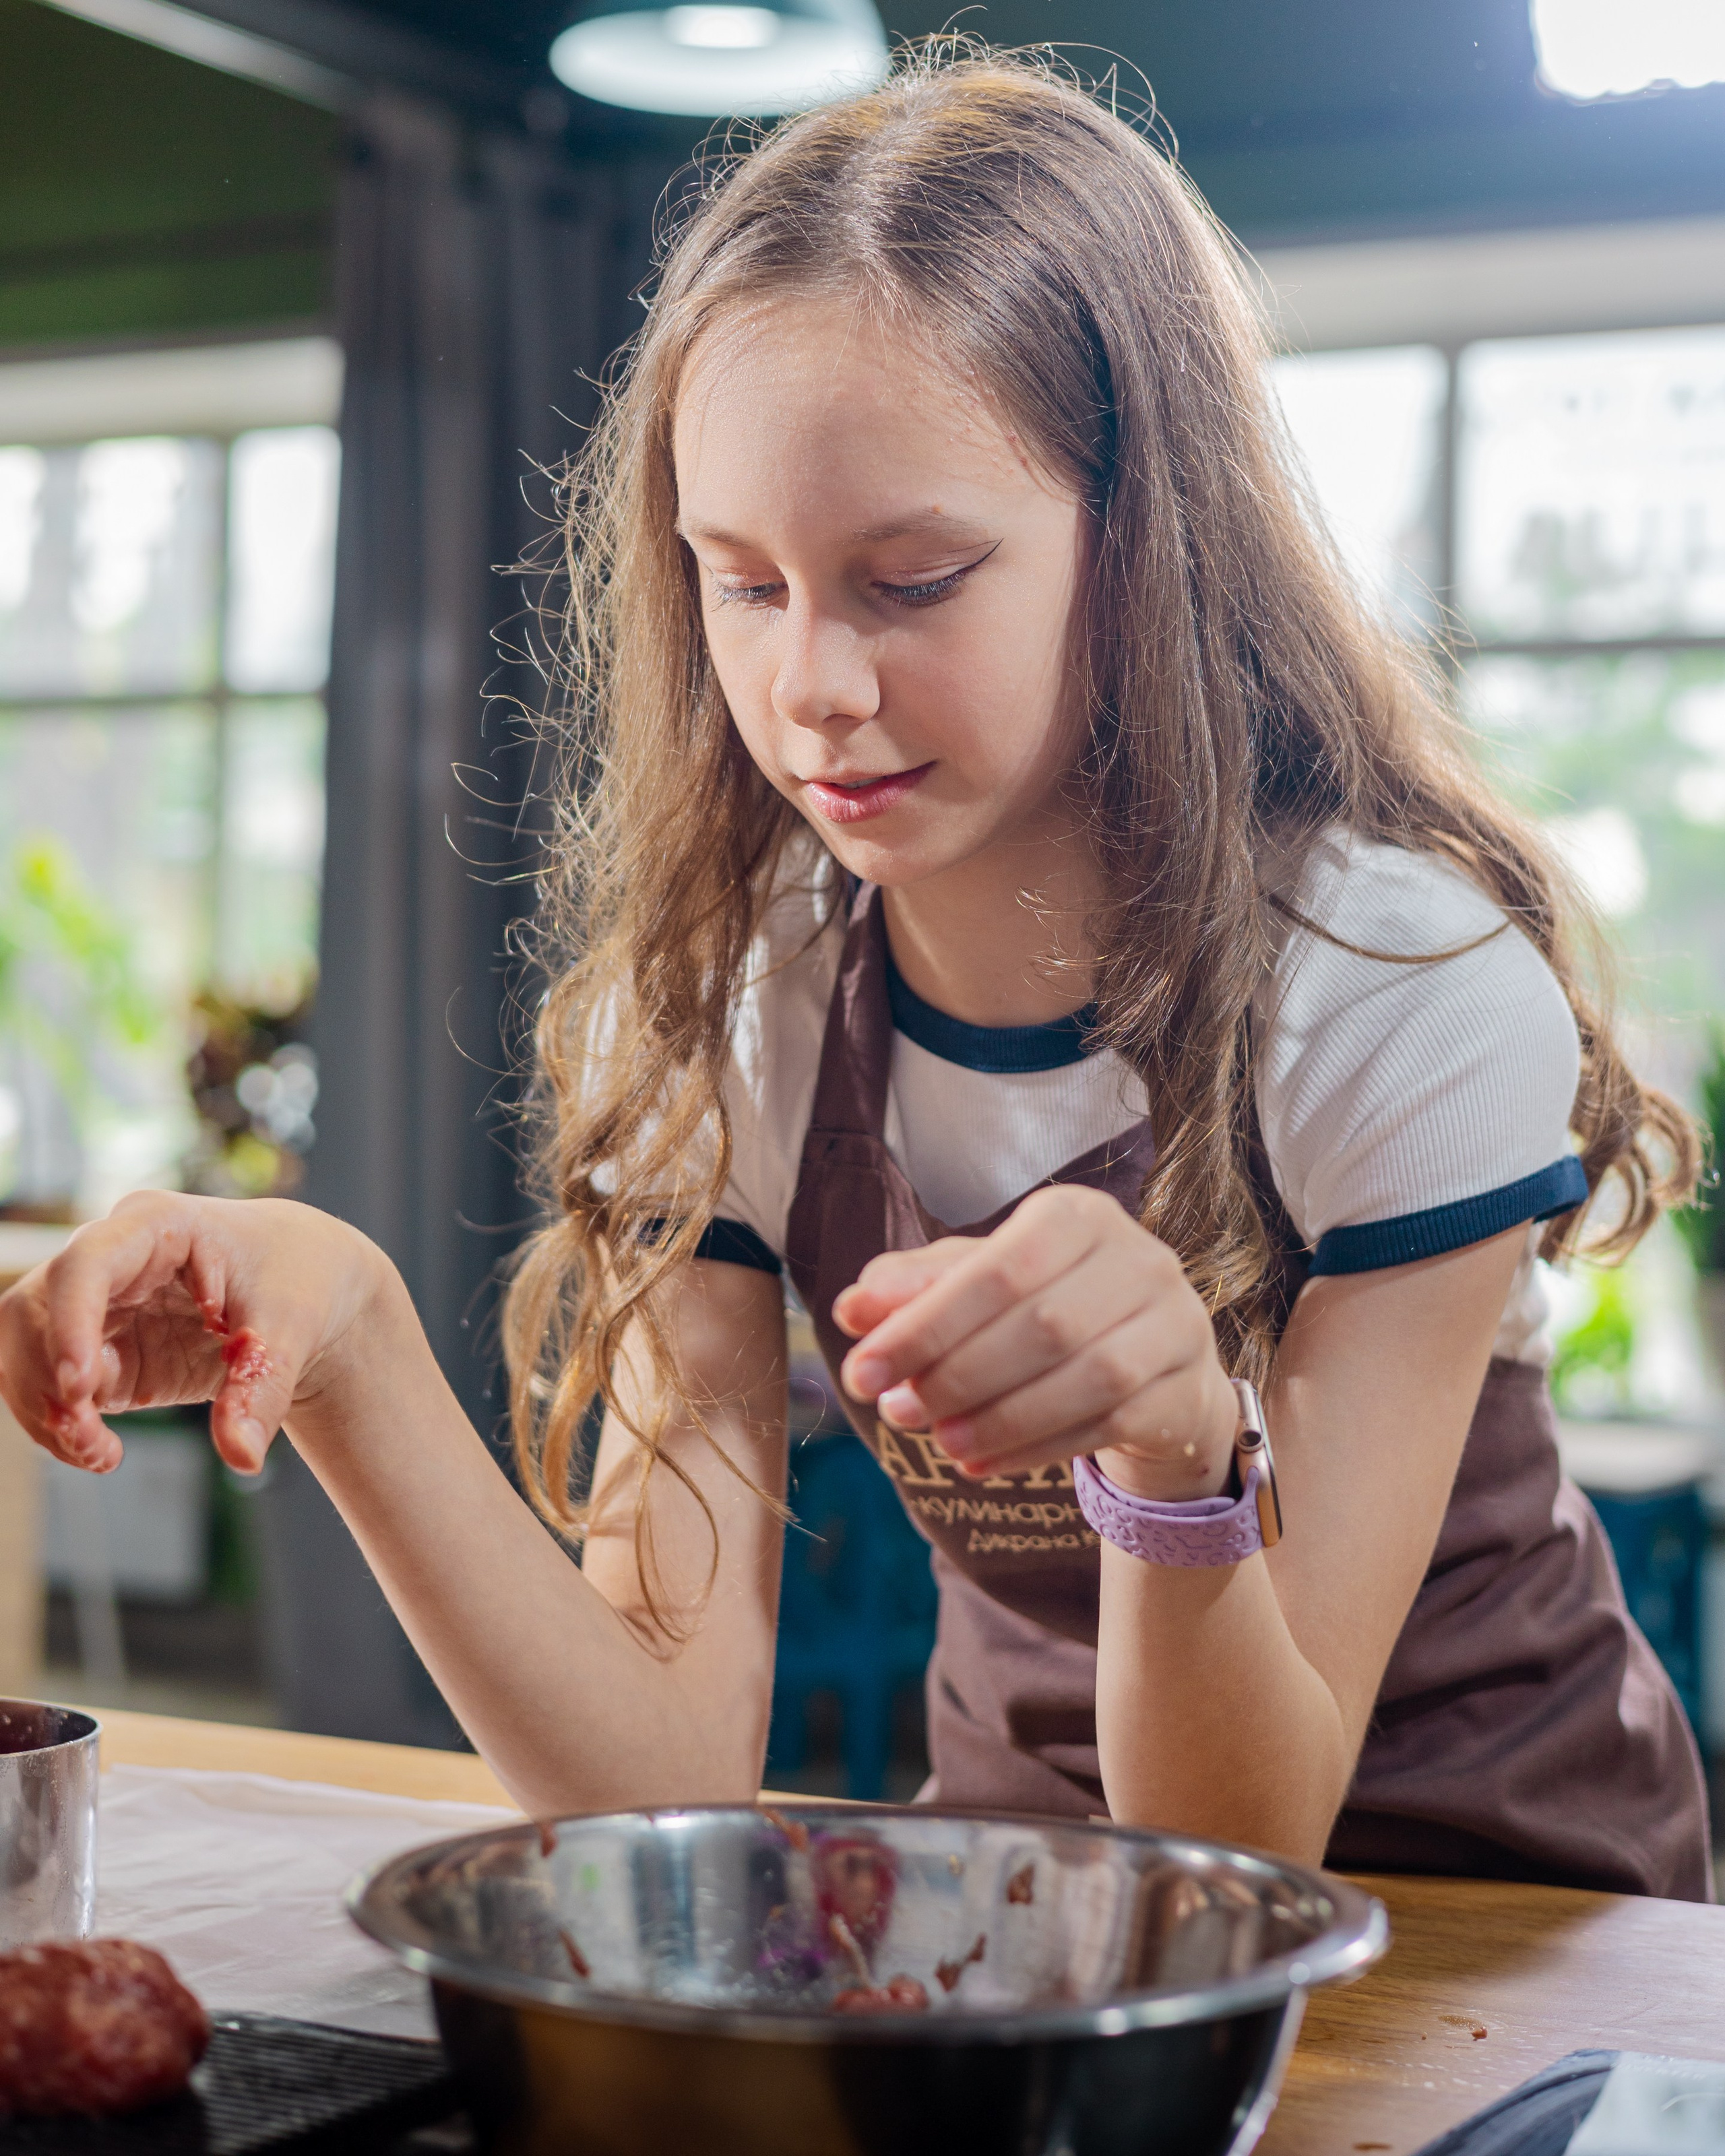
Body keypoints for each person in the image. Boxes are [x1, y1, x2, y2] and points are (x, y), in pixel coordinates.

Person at [0, 52, 1709, 1897]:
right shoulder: (743, 1007)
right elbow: (648, 1758)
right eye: (743, 581)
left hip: (1507, 1932)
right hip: (1039, 1917)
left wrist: (1176, 1436)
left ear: (1142, 546)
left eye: (911, 579)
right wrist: (341, 1339)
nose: (812, 684)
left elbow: (1246, 1842)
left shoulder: (1391, 986)